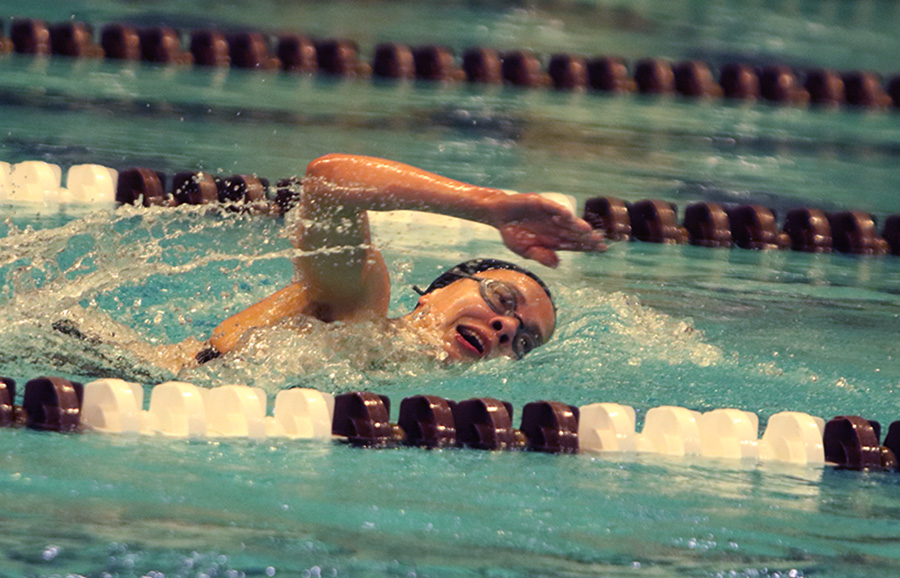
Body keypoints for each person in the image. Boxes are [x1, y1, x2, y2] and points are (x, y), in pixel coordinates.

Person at [55, 154, 605, 371]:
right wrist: (486, 206)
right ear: (437, 289)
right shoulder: (361, 302)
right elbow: (330, 180)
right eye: (502, 301)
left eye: (523, 340)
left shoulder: (388, 373)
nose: (507, 327)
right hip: (83, 356)